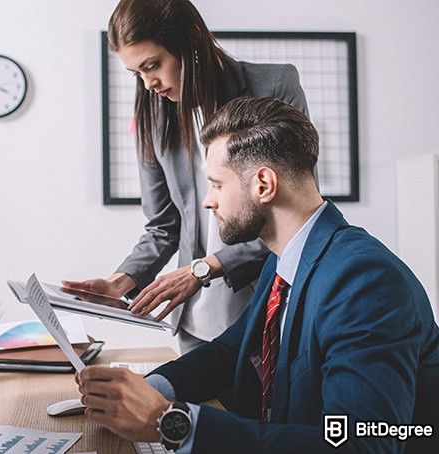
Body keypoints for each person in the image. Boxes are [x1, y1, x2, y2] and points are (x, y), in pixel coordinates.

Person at [76, 97, 439, 453]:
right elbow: (228, 353)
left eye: (217, 184)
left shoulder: (364, 282)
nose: (208, 200)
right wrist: (149, 390)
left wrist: (168, 422)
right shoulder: (284, 260)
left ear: (263, 184)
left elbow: (360, 445)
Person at [63, 0, 310, 353]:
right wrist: (120, 281)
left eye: (153, 65)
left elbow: (293, 213)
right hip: (192, 321)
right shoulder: (154, 118)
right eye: (137, 74)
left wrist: (203, 269)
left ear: (191, 41)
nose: (149, 84)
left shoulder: (274, 86)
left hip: (267, 311)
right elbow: (163, 226)